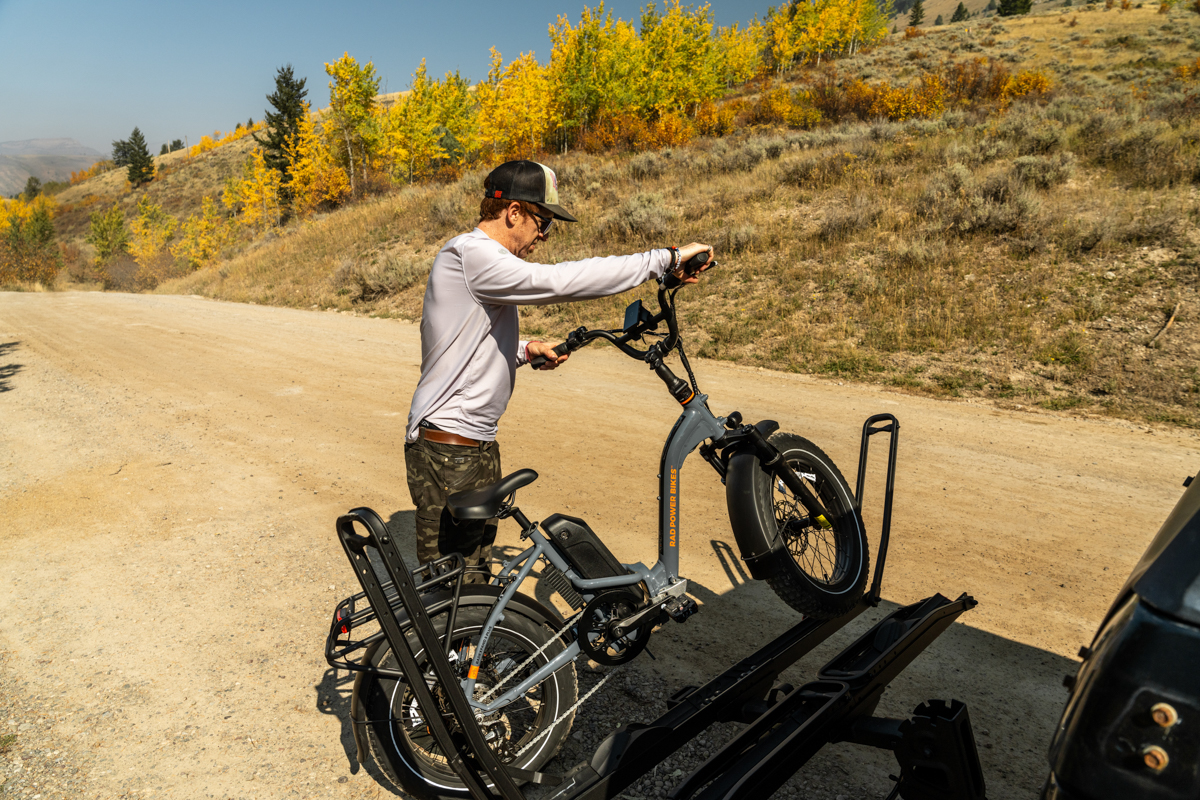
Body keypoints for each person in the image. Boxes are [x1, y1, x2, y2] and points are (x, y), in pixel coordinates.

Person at [405, 159, 712, 582]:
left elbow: (466, 344)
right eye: (542, 222)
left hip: (470, 444)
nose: (542, 237)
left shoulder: (479, 262)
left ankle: (473, 645)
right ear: (513, 212)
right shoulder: (470, 254)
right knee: (452, 585)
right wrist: (662, 259)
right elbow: (555, 282)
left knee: (472, 577)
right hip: (449, 449)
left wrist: (525, 350)